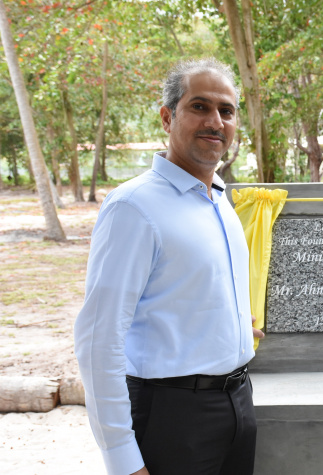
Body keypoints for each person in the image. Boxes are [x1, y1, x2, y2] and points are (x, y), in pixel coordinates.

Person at [74, 58, 264, 475]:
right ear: (167, 116)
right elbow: (98, 340)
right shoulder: (134, 207)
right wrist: (122, 458)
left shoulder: (219, 199)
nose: (215, 121)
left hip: (237, 404)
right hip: (172, 418)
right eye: (200, 107)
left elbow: (183, 292)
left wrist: (229, 327)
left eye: (226, 111)